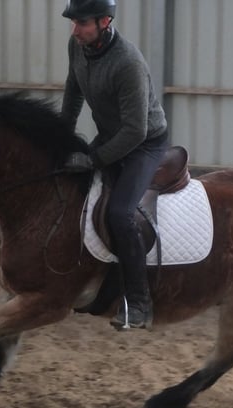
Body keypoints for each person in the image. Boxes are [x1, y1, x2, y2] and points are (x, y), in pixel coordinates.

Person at [60, 0, 168, 331]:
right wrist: (61, 140)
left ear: (105, 22)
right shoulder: (77, 45)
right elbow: (73, 91)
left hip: (144, 145)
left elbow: (135, 131)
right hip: (111, 138)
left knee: (120, 213)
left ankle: (139, 303)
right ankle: (101, 287)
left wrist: (93, 158)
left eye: (82, 23)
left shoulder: (128, 63)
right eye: (73, 23)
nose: (75, 30)